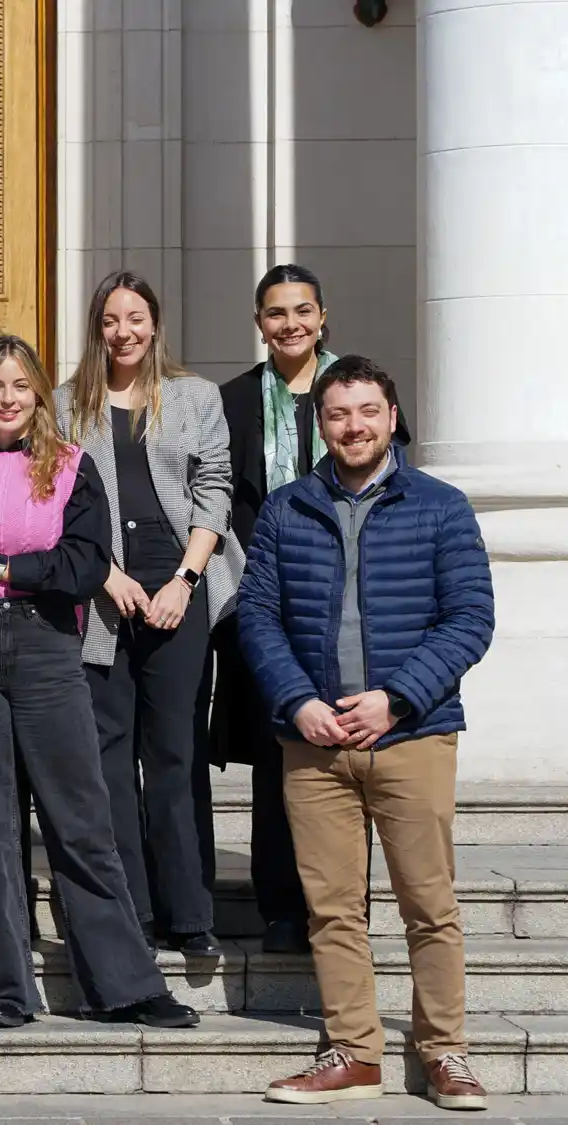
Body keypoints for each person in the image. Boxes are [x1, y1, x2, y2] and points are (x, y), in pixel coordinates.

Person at [0, 335, 196, 1030]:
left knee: (79, 818)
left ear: (39, 394)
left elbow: (81, 565)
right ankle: (8, 984)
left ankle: (125, 983)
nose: (8, 398)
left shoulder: (71, 466)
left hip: (44, 645)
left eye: (20, 385)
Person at [241, 356, 494, 1110]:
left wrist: (396, 699)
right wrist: (296, 700)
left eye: (367, 411)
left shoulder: (441, 506)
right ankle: (354, 1049)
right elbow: (257, 615)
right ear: (319, 424)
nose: (353, 425)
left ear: (391, 417)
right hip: (313, 743)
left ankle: (445, 1050)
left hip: (412, 736)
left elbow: (469, 619)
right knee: (333, 906)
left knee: (429, 903)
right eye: (338, 413)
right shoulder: (288, 509)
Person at [212, 264, 414, 954]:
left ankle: (343, 908)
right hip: (266, 597)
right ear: (259, 322)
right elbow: (223, 498)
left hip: (354, 608)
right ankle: (283, 909)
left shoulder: (356, 392)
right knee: (281, 761)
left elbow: (395, 482)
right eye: (276, 312)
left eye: (302, 310)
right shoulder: (233, 400)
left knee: (350, 759)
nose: (290, 323)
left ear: (322, 316)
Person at [55, 271, 242, 955]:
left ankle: (189, 913)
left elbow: (213, 490)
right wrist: (105, 574)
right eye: (111, 319)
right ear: (96, 327)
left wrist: (184, 580)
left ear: (155, 323)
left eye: (135, 317)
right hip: (102, 597)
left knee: (175, 753)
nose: (124, 331)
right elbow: (54, 501)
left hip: (177, 590)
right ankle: (126, 911)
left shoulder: (195, 397)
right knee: (107, 758)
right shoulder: (65, 403)